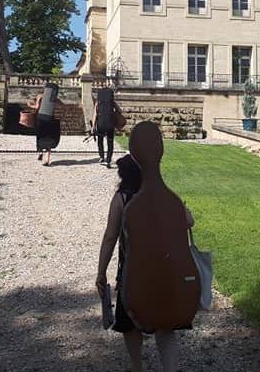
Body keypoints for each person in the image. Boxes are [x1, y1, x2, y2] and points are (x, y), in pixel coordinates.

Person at [96, 154, 194, 372]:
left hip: (133, 273)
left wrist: (101, 272)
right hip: (164, 271)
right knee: (165, 326)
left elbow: (110, 237)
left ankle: (136, 366)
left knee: (130, 325)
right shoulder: (162, 196)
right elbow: (189, 221)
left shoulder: (122, 198)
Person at [30, 82, 61, 166]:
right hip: (50, 118)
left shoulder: (40, 96)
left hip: (40, 118)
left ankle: (40, 152)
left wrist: (29, 105)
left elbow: (37, 107)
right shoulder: (55, 98)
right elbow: (61, 106)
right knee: (49, 137)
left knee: (40, 136)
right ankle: (47, 159)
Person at [91, 87, 121, 167]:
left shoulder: (98, 102)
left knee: (100, 140)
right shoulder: (111, 102)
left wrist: (93, 126)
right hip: (110, 123)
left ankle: (101, 157)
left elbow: (95, 113)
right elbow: (119, 111)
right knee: (110, 142)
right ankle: (108, 159)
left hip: (101, 123)